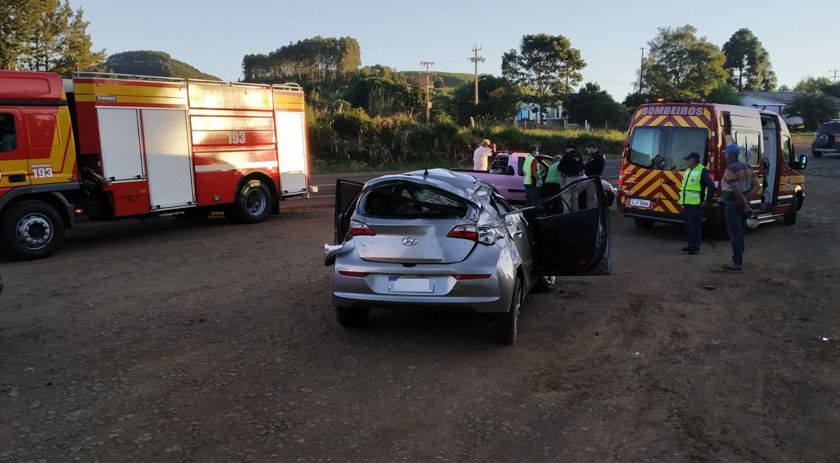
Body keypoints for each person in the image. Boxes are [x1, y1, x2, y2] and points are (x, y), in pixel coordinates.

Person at [720, 144, 759, 271]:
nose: (724, 155)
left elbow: (735, 189)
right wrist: (746, 199)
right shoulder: (747, 167)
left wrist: (742, 202)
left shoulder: (730, 169)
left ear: (730, 155)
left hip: (733, 206)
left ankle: (737, 263)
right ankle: (739, 259)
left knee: (735, 235)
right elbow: (757, 186)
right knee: (741, 234)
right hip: (742, 205)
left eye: (725, 153)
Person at [678, 152, 716, 255]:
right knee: (687, 225)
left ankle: (695, 247)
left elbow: (711, 187)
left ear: (693, 160)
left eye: (688, 160)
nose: (686, 162)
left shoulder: (702, 171)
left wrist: (707, 201)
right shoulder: (689, 170)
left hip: (696, 204)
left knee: (694, 226)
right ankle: (691, 244)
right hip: (687, 203)